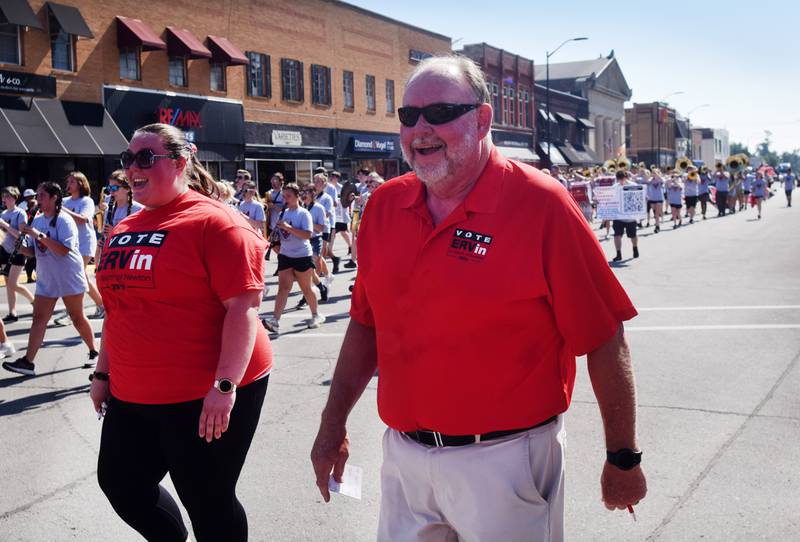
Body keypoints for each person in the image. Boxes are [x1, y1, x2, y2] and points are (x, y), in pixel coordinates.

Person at [310, 55, 646, 542]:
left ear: (483, 118)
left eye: (441, 113)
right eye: (409, 116)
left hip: (507, 462)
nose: (421, 128)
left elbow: (603, 336)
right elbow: (365, 324)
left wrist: (623, 457)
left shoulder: (543, 204)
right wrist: (330, 426)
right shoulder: (384, 205)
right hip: (405, 458)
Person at [90, 123, 271, 542]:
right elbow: (116, 309)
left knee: (208, 499)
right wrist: (103, 375)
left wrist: (224, 387)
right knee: (121, 484)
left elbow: (243, 308)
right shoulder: (122, 228)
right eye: (128, 159)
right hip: (134, 389)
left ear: (181, 162)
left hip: (204, 389)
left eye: (146, 158)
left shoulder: (218, 223)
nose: (133, 167)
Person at [1, 182, 98, 376]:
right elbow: (34, 252)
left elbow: (63, 250)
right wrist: (16, 246)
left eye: (42, 196)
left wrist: (38, 235)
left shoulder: (64, 220)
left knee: (77, 318)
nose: (38, 200)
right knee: (39, 319)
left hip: (68, 276)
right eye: (37, 195)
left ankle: (94, 351)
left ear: (54, 198)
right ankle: (28, 362)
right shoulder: (37, 220)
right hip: (47, 279)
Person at [262, 183, 325, 332]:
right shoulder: (283, 213)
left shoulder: (303, 213)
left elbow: (308, 235)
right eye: (284, 196)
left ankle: (316, 314)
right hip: (285, 254)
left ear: (297, 196)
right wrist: (274, 236)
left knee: (306, 288)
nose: (285, 199)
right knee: (283, 288)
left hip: (302, 255)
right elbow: (282, 235)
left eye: (288, 196)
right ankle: (275, 320)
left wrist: (287, 227)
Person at [61, 171, 104, 320]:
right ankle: (101, 305)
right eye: (68, 182)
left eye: (72, 182)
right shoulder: (64, 201)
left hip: (85, 241)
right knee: (80, 276)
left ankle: (72, 311)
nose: (68, 185)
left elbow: (83, 219)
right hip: (69, 242)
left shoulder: (86, 201)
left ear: (80, 183)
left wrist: (62, 209)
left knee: (76, 274)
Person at [0, 186, 35, 322]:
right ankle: (12, 312)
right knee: (8, 283)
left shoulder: (20, 213)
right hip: (4, 250)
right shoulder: (2, 214)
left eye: (8, 196)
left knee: (13, 284)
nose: (5, 199)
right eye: (4, 196)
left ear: (15, 198)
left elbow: (22, 235)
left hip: (18, 251)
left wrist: (6, 226)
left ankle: (34, 301)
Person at [612, 170, 641, 260]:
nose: (620, 181)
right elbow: (611, 199)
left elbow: (639, 197)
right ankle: (618, 253)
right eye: (619, 179)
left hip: (630, 217)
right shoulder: (614, 187)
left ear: (626, 177)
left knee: (633, 235)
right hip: (618, 216)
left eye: (622, 179)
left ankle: (635, 248)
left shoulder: (633, 185)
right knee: (617, 235)